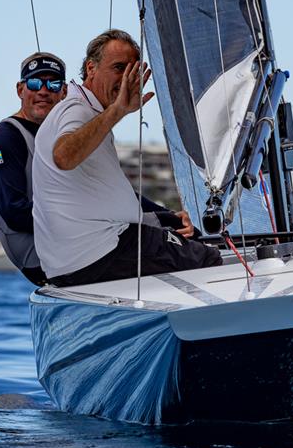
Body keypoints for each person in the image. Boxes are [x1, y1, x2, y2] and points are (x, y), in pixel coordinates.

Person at [32, 29, 222, 287]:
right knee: (208, 258)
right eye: (118, 67)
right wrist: (118, 111)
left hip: (78, 260)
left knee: (186, 240)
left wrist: (165, 219)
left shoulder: (85, 109)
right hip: (100, 252)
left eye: (131, 70)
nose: (125, 78)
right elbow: (63, 156)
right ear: (91, 68)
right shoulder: (77, 110)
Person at [0, 52, 67, 285]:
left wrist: (168, 216)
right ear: (20, 89)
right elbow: (14, 213)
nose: (43, 91)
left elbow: (109, 191)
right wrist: (87, 219)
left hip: (73, 245)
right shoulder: (3, 138)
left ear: (64, 92)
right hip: (39, 259)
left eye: (53, 83)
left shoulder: (66, 139)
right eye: (35, 83)